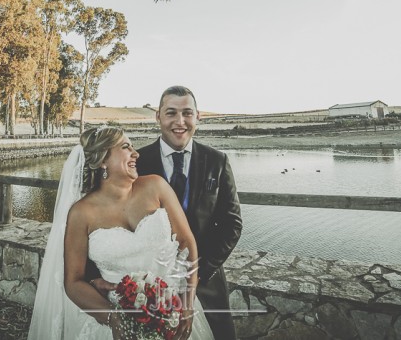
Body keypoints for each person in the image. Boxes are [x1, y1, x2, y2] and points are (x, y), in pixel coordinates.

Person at [27, 126, 215, 340]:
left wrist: (187, 303)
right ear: (103, 160)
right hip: (117, 320)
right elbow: (73, 282)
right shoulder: (81, 213)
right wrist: (113, 317)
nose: (136, 153)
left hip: (174, 310)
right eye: (126, 147)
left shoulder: (156, 186)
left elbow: (186, 242)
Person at [92, 86, 242, 339]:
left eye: (187, 113)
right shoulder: (136, 160)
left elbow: (232, 225)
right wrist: (93, 276)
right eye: (171, 113)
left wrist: (198, 273)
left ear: (198, 117)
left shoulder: (218, 161)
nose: (179, 122)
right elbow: (103, 218)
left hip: (206, 281)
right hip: (148, 286)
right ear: (158, 117)